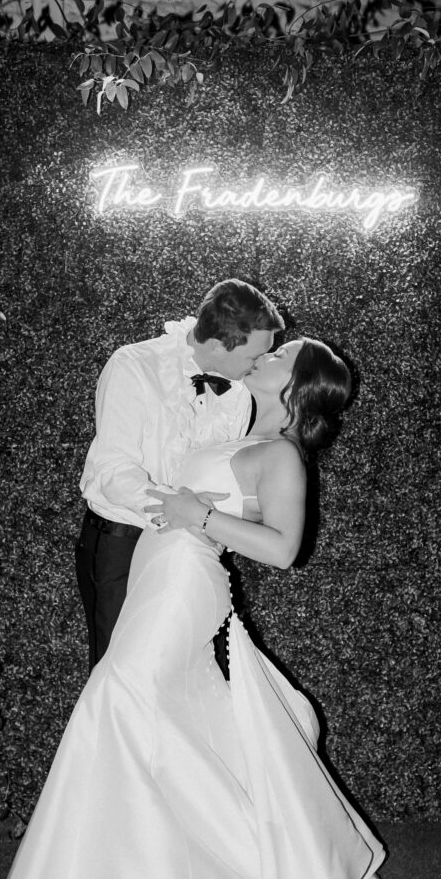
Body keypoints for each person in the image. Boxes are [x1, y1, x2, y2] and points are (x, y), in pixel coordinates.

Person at [0, 337, 399, 879]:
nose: (265, 357)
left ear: (298, 388)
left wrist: (197, 512)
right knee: (149, 722)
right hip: (157, 573)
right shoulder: (230, 428)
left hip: (186, 584)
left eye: (280, 357)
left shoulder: (282, 454)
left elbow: (284, 551)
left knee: (116, 699)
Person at [75, 278, 284, 670]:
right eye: (254, 356)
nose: (259, 366)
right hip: (121, 545)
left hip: (185, 552)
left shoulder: (238, 394)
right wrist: (177, 507)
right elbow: (112, 471)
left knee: (178, 672)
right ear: (219, 345)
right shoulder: (133, 366)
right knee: (121, 676)